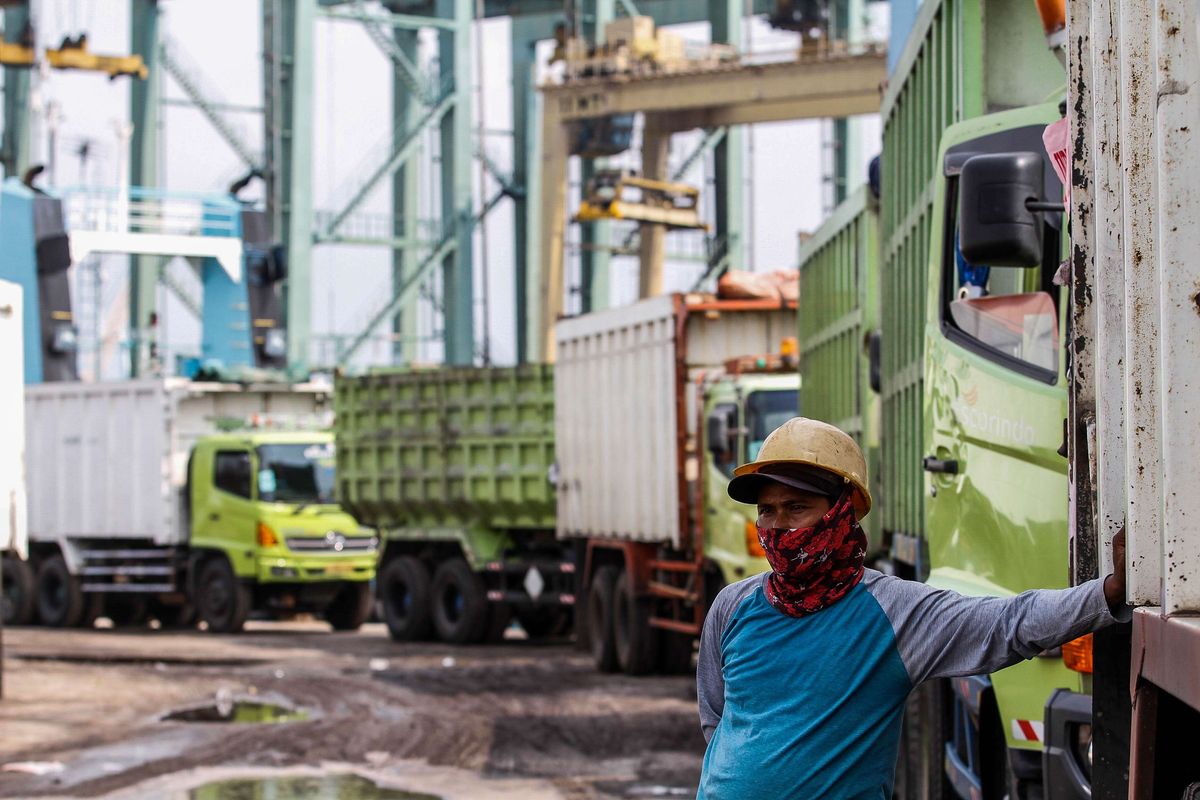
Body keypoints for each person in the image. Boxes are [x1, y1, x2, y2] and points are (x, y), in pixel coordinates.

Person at [696, 417, 1127, 799]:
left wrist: (1106, 591)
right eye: (767, 511)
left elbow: (1006, 624)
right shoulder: (733, 606)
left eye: (796, 508)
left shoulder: (894, 612)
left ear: (841, 513)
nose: (778, 526)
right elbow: (717, 719)